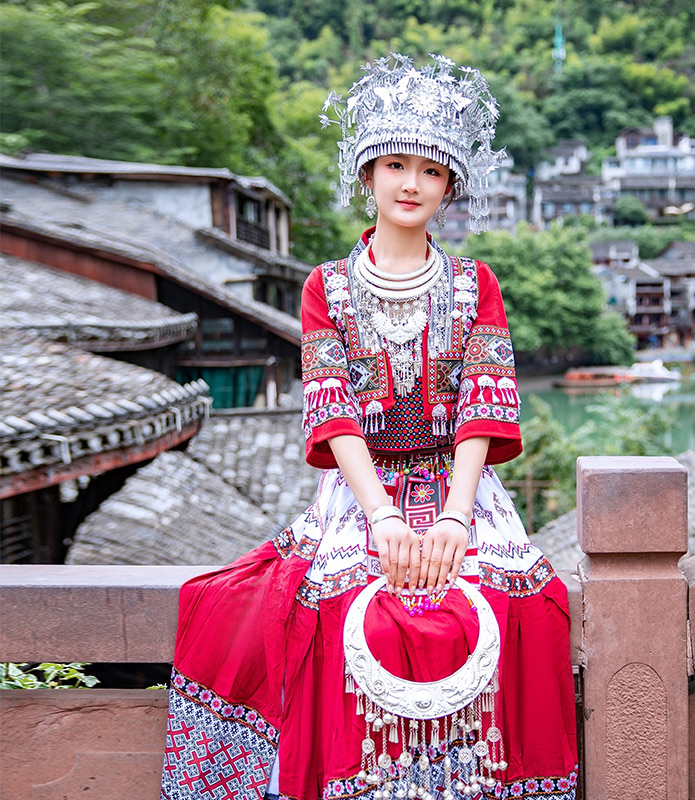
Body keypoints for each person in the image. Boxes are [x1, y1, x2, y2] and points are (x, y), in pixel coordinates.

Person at [162, 53, 577, 800]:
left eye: (429, 170)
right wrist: (382, 516)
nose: (411, 183)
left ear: (450, 185)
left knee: (520, 606)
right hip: (363, 492)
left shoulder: (474, 283)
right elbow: (333, 408)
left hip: (460, 492)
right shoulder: (325, 285)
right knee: (327, 609)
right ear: (368, 176)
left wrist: (454, 516)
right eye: (394, 165)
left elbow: (483, 402)